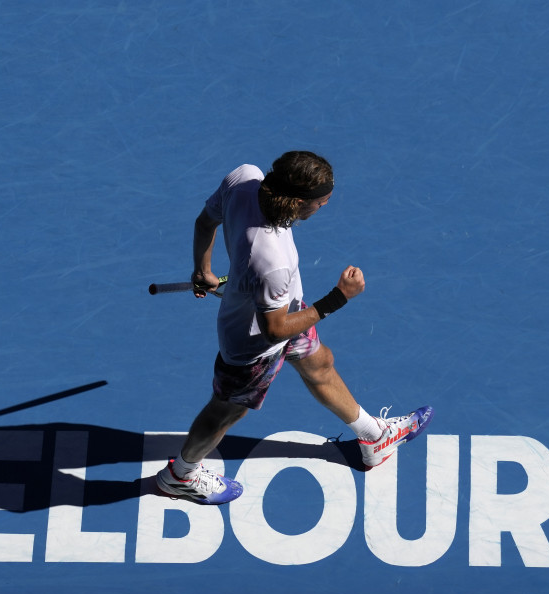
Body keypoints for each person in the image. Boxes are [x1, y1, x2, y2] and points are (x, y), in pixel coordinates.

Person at [156, 151, 433, 504]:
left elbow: (204, 222)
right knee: (226, 410)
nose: (324, 207)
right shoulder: (273, 260)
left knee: (320, 363)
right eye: (322, 203)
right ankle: (180, 475)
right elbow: (274, 330)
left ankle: (373, 437)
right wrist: (338, 298)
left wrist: (202, 270)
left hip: (287, 308)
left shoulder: (244, 177)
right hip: (253, 344)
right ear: (300, 202)